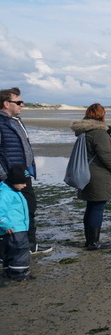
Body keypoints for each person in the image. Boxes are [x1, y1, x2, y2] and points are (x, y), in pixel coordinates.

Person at [0, 87, 52, 255]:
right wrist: (4, 176)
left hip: (23, 173)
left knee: (28, 208)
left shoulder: (15, 120)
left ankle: (30, 245)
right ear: (6, 104)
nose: (22, 105)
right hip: (10, 176)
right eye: (19, 102)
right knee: (8, 212)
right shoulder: (2, 122)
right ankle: (8, 250)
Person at [70, 103, 111, 250]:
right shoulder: (98, 132)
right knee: (97, 207)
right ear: (101, 115)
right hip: (98, 175)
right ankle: (93, 242)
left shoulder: (85, 132)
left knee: (91, 207)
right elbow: (105, 155)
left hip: (87, 172)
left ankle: (90, 240)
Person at [1, 165, 32, 281]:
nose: (25, 185)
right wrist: (5, 224)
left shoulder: (13, 190)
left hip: (18, 227)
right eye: (22, 183)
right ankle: (18, 272)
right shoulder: (5, 193)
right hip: (14, 228)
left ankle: (8, 270)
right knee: (21, 250)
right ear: (14, 181)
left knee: (11, 251)